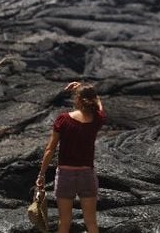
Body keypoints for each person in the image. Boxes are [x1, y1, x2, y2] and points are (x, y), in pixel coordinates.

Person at [37, 81, 106, 233]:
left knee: (64, 223)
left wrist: (41, 174)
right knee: (91, 222)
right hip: (87, 175)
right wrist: (86, 90)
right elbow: (99, 106)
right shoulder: (97, 120)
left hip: (65, 176)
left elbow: (50, 149)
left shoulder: (63, 119)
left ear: (77, 100)